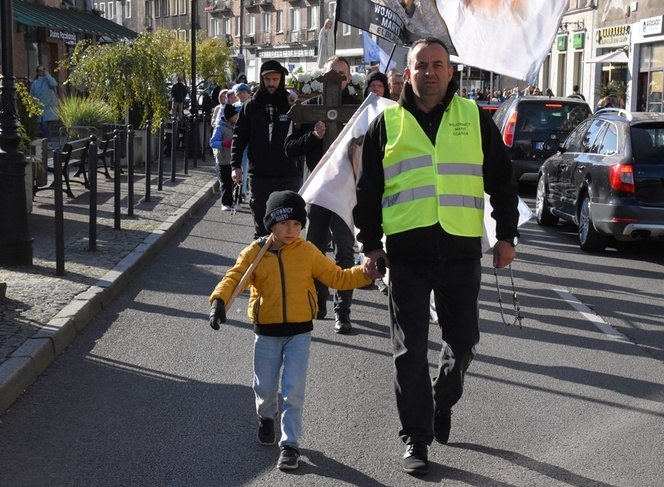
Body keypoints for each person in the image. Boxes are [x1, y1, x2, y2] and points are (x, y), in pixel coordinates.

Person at [353, 37, 519, 475]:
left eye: (437, 64)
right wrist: (369, 245)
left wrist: (506, 235)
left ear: (450, 71)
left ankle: (442, 399)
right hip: (405, 254)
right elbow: (368, 190)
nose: (430, 72)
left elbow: (502, 181)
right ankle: (415, 438)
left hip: (462, 251)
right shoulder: (386, 125)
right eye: (421, 65)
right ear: (406, 73)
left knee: (463, 343)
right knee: (408, 350)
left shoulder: (475, 119)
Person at [208, 190, 371, 471]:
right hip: (267, 332)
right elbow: (234, 277)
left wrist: (365, 273)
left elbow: (337, 276)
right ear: (271, 224)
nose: (291, 230)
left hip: (299, 332)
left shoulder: (307, 251)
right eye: (284, 224)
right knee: (265, 387)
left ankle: (290, 444)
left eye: (297, 224)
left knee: (292, 390)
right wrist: (219, 302)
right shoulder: (255, 253)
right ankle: (266, 417)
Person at [285, 56, 361, 334]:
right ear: (321, 76)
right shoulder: (308, 109)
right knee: (315, 251)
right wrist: (313, 137)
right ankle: (319, 301)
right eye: (331, 74)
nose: (336, 79)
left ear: (349, 79)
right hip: (318, 193)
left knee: (344, 254)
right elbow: (290, 148)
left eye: (341, 75)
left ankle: (344, 311)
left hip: (345, 193)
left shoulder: (358, 109)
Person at [230, 61, 301, 239]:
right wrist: (235, 165)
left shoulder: (290, 104)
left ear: (281, 79)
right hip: (259, 174)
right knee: (262, 226)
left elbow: (302, 131)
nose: (271, 83)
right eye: (267, 79)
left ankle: (283, 264)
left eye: (275, 79)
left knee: (286, 228)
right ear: (262, 80)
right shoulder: (251, 106)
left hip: (287, 174)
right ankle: (261, 264)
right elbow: (239, 137)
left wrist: (297, 105)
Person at [210, 103, 239, 211]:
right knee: (226, 182)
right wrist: (224, 144)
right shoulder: (220, 127)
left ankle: (235, 201)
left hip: (234, 158)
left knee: (235, 182)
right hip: (223, 159)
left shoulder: (235, 125)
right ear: (230, 116)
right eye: (235, 115)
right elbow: (212, 142)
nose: (237, 116)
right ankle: (226, 203)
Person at [29, 64, 59, 141]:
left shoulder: (49, 80)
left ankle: (48, 141)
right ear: (38, 72)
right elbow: (31, 94)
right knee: (43, 125)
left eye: (43, 70)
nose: (42, 72)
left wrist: (48, 75)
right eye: (40, 70)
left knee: (45, 124)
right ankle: (46, 141)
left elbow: (54, 84)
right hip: (39, 107)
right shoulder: (35, 83)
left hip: (49, 107)